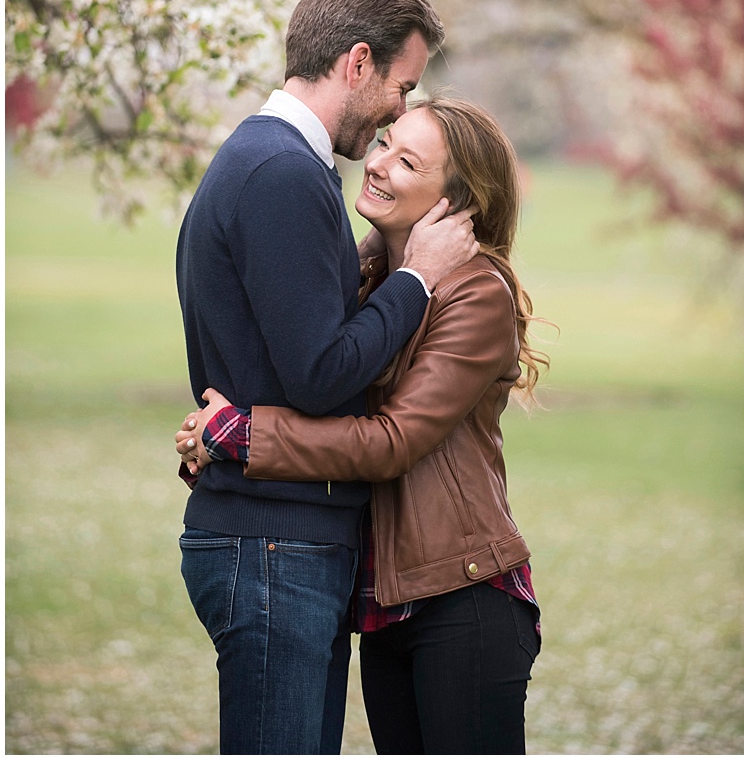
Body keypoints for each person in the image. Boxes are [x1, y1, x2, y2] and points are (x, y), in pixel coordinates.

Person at [179, 96, 543, 753]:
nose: (377, 164)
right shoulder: (377, 283)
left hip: (462, 597)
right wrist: (214, 434)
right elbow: (322, 385)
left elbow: (393, 441)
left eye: (408, 162)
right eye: (384, 143)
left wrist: (244, 437)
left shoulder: (475, 293)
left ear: (454, 204)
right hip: (386, 605)